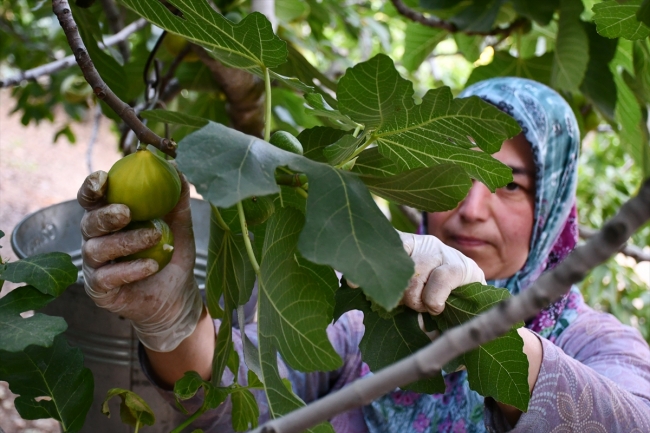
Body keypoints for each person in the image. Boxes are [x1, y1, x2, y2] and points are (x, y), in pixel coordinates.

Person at [78, 77, 650, 432]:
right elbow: (230, 407)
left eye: (508, 185)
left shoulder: (596, 342)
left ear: (553, 210)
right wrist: (174, 322)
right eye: (453, 174)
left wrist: (485, 328)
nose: (471, 209)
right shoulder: (360, 319)